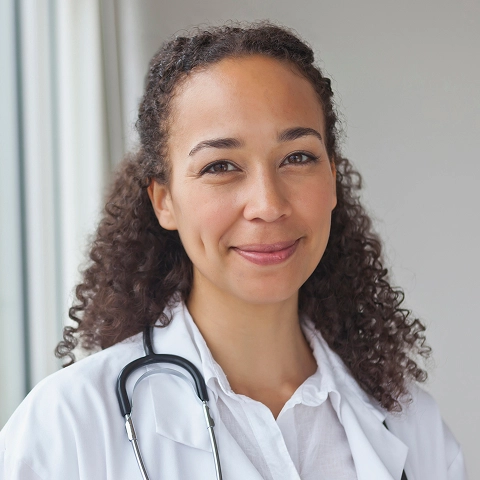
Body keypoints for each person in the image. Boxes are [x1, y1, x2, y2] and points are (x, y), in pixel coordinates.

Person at [0, 22, 468, 480]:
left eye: (297, 157)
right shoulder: (68, 429)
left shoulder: (411, 425)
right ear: (164, 200)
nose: (267, 204)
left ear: (332, 179)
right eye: (220, 165)